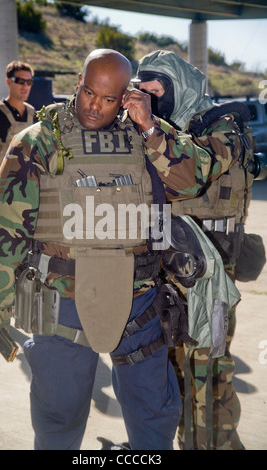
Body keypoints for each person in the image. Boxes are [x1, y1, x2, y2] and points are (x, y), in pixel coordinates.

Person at [0, 49, 241, 451]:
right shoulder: (40, 141)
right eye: (87, 93)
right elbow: (5, 227)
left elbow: (190, 181)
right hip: (60, 299)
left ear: (127, 97)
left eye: (108, 99)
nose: (94, 107)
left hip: (140, 301)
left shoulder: (144, 137)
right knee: (58, 415)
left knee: (154, 413)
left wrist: (151, 127)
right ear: (78, 84)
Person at [132, 49, 253, 450]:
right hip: (161, 274)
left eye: (157, 91)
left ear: (179, 88)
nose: (148, 99)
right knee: (170, 373)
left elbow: (191, 175)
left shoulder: (223, 126)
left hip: (210, 281)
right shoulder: (152, 129)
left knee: (208, 374)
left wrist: (149, 128)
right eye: (141, 90)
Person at [0, 60, 36, 232]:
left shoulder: (34, 115)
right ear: (8, 81)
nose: (25, 86)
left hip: (28, 191)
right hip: (2, 191)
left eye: (29, 82)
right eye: (20, 81)